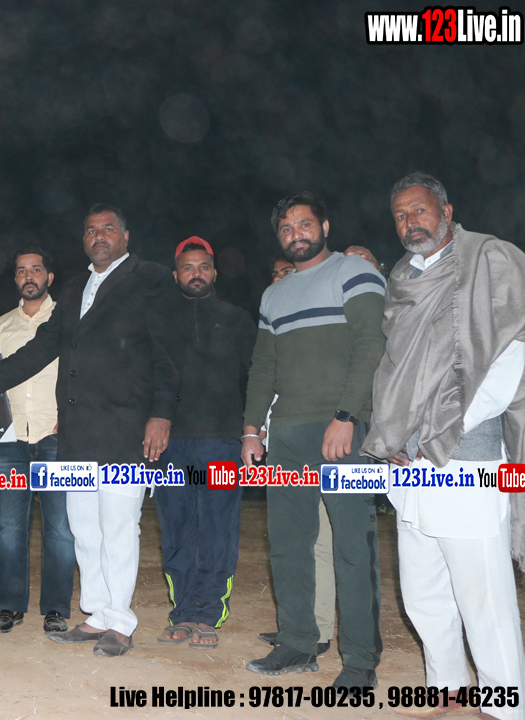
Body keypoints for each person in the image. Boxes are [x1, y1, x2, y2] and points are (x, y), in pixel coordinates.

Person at [0, 203, 180, 657]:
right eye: (91, 230)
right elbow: (43, 345)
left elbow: (168, 351)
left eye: (108, 229)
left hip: (125, 428)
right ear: (83, 240)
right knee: (83, 526)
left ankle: (121, 621)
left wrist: (161, 414)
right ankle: (98, 613)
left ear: (125, 236)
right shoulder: (77, 287)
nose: (99, 236)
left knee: (119, 525)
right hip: (76, 432)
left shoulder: (151, 278)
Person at [362, 172, 525, 720]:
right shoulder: (403, 277)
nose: (410, 222)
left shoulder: (490, 260)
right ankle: (449, 691)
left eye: (420, 210)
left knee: (484, 596)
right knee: (424, 592)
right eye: (400, 215)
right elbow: (395, 369)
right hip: (410, 464)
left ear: (447, 211)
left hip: (466, 458)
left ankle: (504, 707)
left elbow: (511, 359)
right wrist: (393, 434)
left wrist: (443, 429)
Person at [241, 191, 385, 689]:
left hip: (343, 430)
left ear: (324, 226)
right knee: (288, 545)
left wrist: (347, 416)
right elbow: (263, 367)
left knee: (352, 547)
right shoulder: (274, 296)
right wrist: (251, 430)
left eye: (304, 224)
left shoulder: (354, 272)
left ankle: (360, 661)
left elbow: (371, 345)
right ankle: (298, 642)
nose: (295, 234)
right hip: (287, 435)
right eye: (286, 228)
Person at [155, 237, 255, 650]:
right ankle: (182, 612)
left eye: (203, 267)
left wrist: (252, 430)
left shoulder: (237, 319)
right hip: (172, 445)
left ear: (214, 272)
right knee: (177, 530)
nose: (195, 274)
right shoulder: (159, 321)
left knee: (217, 529)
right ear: (175, 274)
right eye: (187, 267)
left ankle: (208, 614)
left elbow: (257, 377)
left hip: (222, 442)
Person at [0, 247, 76, 635]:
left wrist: (71, 418)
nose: (29, 276)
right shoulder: (1, 325)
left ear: (49, 277)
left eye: (36, 269)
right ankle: (10, 607)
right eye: (21, 270)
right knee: (10, 529)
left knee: (60, 529)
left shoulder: (68, 319)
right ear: (15, 279)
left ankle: (55, 609)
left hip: (55, 436)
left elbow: (80, 374)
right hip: (10, 439)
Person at [257, 250, 334, 658]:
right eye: (275, 273)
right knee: (291, 541)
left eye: (288, 271)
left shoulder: (316, 325)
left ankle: (318, 631)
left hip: (316, 441)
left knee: (319, 540)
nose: (280, 279)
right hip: (282, 446)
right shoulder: (276, 324)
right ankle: (299, 624)